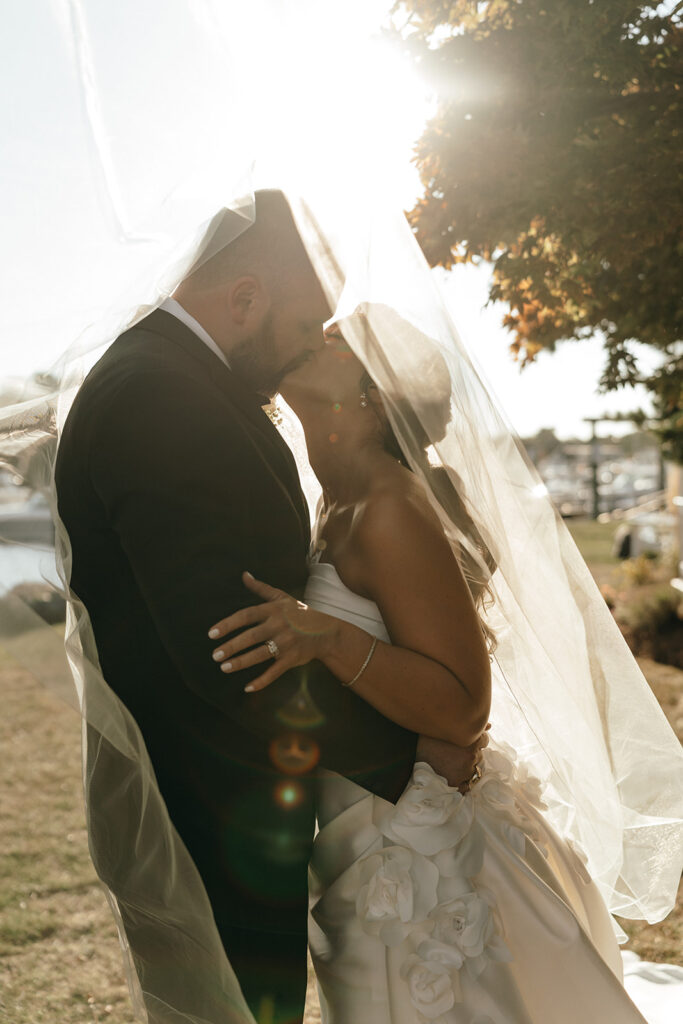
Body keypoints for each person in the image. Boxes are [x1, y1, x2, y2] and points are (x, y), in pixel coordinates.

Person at [54, 193, 484, 1024]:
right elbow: (229, 659)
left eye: (332, 338)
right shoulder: (162, 396)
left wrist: (422, 768)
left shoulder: (185, 386)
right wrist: (409, 769)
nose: (316, 339)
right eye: (309, 322)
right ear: (244, 299)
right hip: (216, 811)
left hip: (286, 816)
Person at [207, 321, 653, 1022]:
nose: (314, 334)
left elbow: (461, 709)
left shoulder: (389, 509)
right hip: (362, 818)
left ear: (371, 401)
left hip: (419, 846)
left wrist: (322, 635)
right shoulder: (338, 500)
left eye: (338, 339)